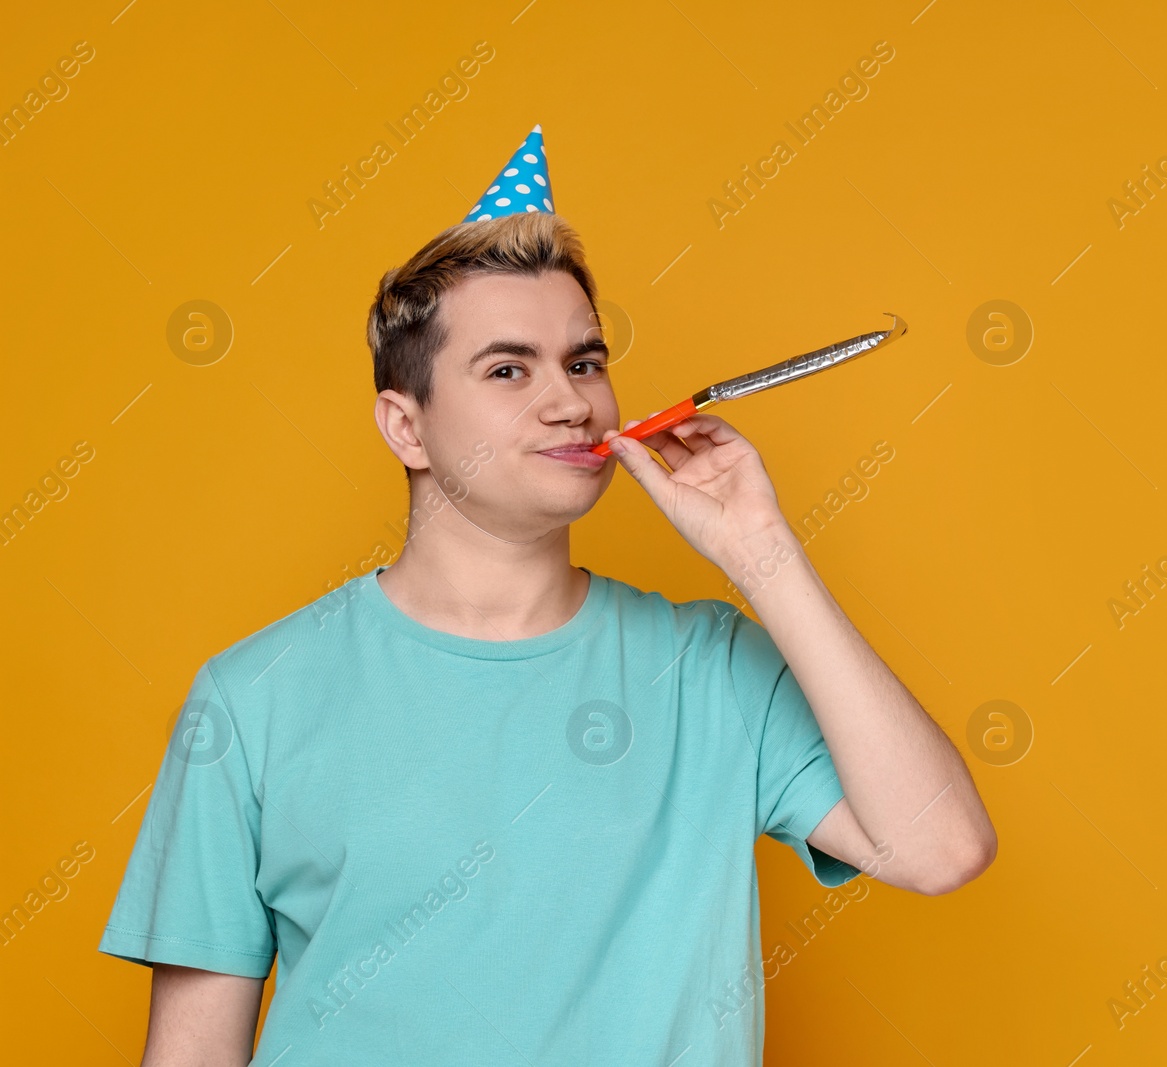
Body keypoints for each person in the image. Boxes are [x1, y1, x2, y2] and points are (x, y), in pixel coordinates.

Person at [98, 128, 996, 1066]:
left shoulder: (711, 667)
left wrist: (764, 553)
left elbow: (941, 848)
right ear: (406, 425)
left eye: (586, 362)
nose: (571, 402)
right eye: (507, 369)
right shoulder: (253, 698)